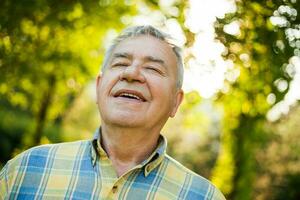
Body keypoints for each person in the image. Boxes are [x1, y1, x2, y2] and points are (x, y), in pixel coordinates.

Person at [0, 25, 226, 199]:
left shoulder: (204, 196)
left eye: (152, 68)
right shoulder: (25, 170)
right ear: (99, 88)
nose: (131, 73)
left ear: (175, 102)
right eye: (120, 63)